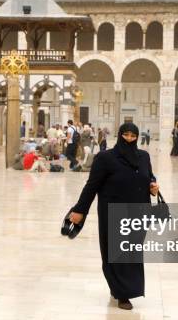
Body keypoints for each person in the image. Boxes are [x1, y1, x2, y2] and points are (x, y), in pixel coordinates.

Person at [68, 123, 160, 310]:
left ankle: (128, 288)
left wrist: (153, 185)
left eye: (133, 136)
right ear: (119, 135)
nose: (129, 139)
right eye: (125, 135)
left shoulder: (143, 157)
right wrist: (79, 210)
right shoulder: (105, 158)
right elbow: (91, 186)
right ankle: (122, 293)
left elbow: (148, 176)